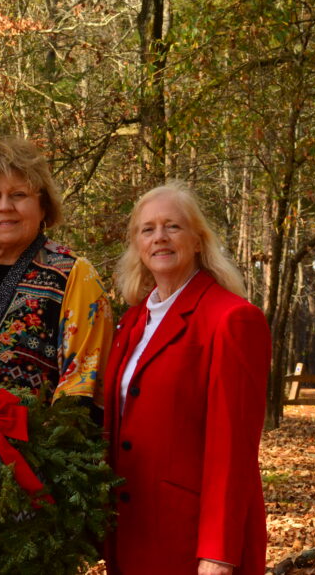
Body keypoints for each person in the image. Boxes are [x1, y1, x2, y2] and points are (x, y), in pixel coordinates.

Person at [103, 181, 270, 575]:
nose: (159, 237)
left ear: (198, 240)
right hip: (132, 532)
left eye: (172, 226)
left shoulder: (231, 319)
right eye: (147, 229)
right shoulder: (131, 322)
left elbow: (233, 451)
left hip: (191, 541)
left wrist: (218, 552)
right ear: (137, 245)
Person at [0, 138, 112, 411]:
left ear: (43, 205)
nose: (4, 207)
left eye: (18, 195)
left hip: (35, 449)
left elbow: (82, 387)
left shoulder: (71, 275)